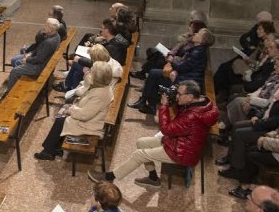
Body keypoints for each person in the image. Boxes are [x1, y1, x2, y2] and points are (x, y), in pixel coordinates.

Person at [88, 80, 218, 187]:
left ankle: (109, 177)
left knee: (139, 155)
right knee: (141, 142)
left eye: (179, 94)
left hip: (181, 152)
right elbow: (179, 123)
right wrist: (174, 100)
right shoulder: (202, 103)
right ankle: (153, 178)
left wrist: (164, 106)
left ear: (190, 97)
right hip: (178, 141)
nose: (177, 96)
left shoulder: (192, 116)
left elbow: (167, 129)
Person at [216, 68, 279, 169]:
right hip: (265, 122)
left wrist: (259, 123)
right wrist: (258, 116)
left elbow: (277, 121)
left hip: (273, 130)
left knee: (240, 133)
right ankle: (230, 157)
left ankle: (236, 167)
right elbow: (269, 107)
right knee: (236, 126)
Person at [35, 61, 113, 160]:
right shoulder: (103, 87)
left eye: (92, 72)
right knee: (62, 117)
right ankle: (54, 148)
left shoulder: (100, 94)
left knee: (61, 120)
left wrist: (70, 110)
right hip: (90, 117)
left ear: (97, 77)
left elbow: (85, 115)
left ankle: (48, 152)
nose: (90, 73)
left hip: (90, 124)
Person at [128, 28, 214, 115]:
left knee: (154, 74)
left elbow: (182, 68)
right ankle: (147, 103)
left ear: (202, 40)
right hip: (183, 78)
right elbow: (184, 65)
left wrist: (172, 61)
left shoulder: (197, 52)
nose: (195, 33)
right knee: (154, 72)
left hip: (185, 83)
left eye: (198, 34)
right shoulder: (197, 49)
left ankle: (148, 104)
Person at [220, 51, 279, 138]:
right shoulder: (274, 74)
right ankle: (228, 128)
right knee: (238, 99)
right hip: (257, 98)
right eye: (275, 64)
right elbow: (262, 88)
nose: (274, 67)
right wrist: (250, 97)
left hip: (263, 105)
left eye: (278, 66)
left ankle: (227, 127)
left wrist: (251, 101)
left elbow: (269, 102)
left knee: (238, 101)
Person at [6, 18, 61, 89]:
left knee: (14, 71)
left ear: (51, 29)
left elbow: (39, 59)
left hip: (39, 67)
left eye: (46, 25)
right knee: (18, 62)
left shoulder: (49, 42)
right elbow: (39, 50)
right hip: (44, 63)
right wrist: (30, 54)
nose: (44, 27)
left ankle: (10, 92)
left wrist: (28, 59)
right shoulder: (57, 36)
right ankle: (17, 86)